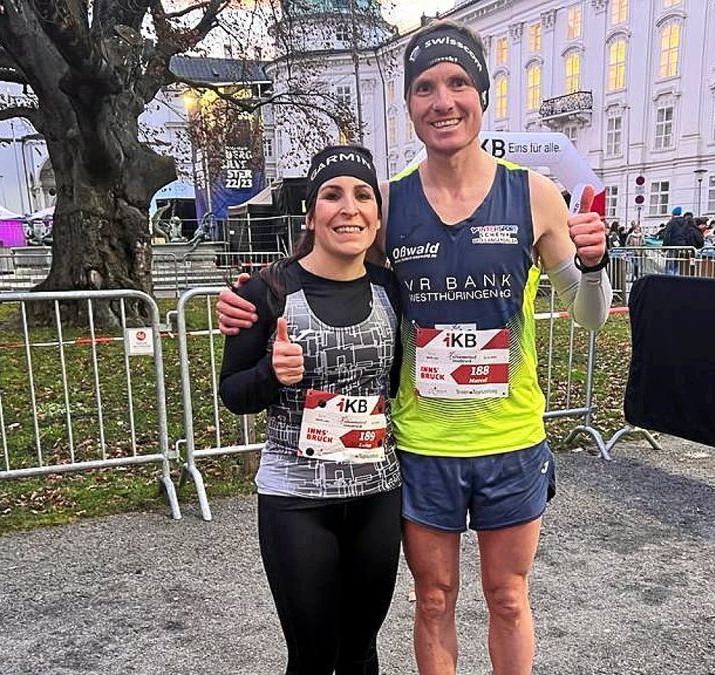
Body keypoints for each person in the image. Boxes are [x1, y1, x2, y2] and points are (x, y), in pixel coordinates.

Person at [217, 20, 611, 675]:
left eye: (459, 83)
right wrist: (253, 298)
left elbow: (590, 317)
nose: (443, 100)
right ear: (410, 104)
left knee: (508, 599)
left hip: (510, 439)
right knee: (432, 599)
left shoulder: (535, 193)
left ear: (482, 95)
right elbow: (330, 264)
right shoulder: (392, 202)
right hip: (422, 444)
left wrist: (595, 267)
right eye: (425, 87)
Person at [218, 145, 402, 675]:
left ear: (376, 216)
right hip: (296, 498)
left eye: (363, 195)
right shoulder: (268, 289)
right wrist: (272, 376)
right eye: (332, 194)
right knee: (313, 656)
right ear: (311, 213)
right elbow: (232, 395)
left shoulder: (392, 289)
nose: (349, 207)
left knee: (361, 651)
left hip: (376, 492)